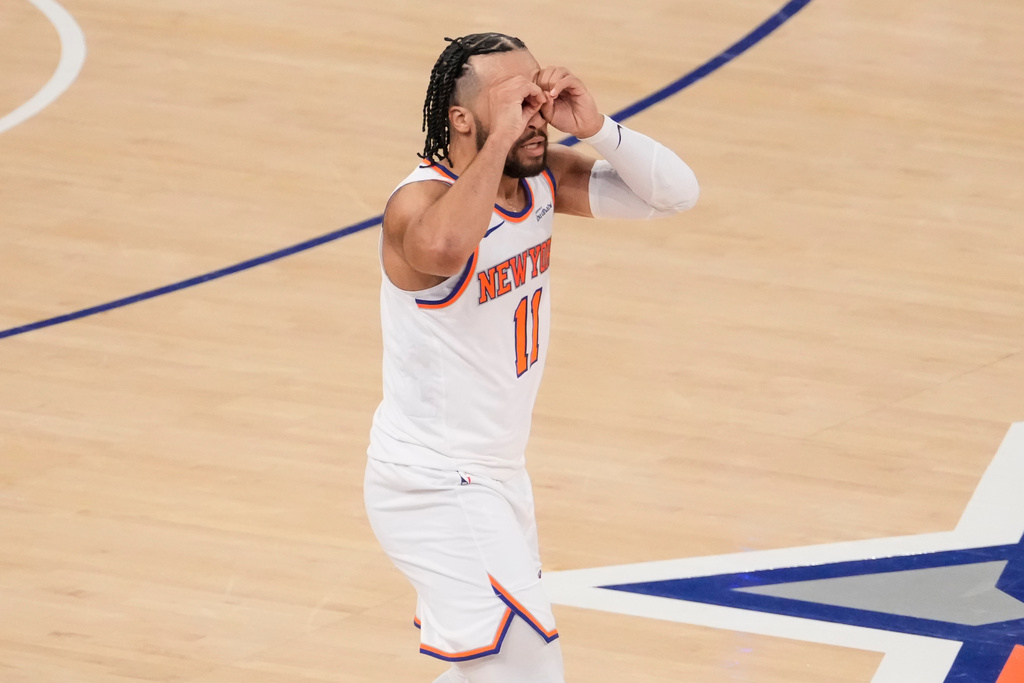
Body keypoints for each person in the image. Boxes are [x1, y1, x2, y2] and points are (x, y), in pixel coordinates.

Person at [364, 32, 698, 683]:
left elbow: (674, 194)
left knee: (486, 669)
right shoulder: (420, 202)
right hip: (433, 479)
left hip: (496, 475)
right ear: (463, 118)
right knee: (528, 668)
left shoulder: (539, 182)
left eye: (539, 93)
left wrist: (596, 126)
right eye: (516, 99)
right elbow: (440, 251)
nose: (536, 111)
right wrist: (498, 144)